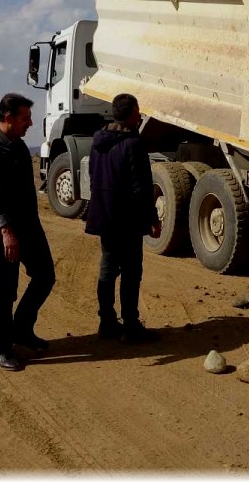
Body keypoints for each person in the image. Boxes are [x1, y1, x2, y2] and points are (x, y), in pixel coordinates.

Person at [0, 93, 55, 371]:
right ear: (8, 118)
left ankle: (21, 329)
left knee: (45, 276)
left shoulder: (19, 147)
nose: (30, 123)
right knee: (6, 289)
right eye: (25, 118)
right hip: (2, 232)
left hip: (28, 227)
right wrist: (6, 231)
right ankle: (0, 347)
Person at [84, 93, 162, 343]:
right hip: (127, 219)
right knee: (131, 273)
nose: (140, 115)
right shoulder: (133, 144)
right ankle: (131, 325)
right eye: (138, 111)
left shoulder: (98, 142)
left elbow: (92, 174)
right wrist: (152, 218)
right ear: (132, 113)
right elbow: (141, 186)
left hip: (105, 216)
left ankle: (106, 322)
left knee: (107, 270)